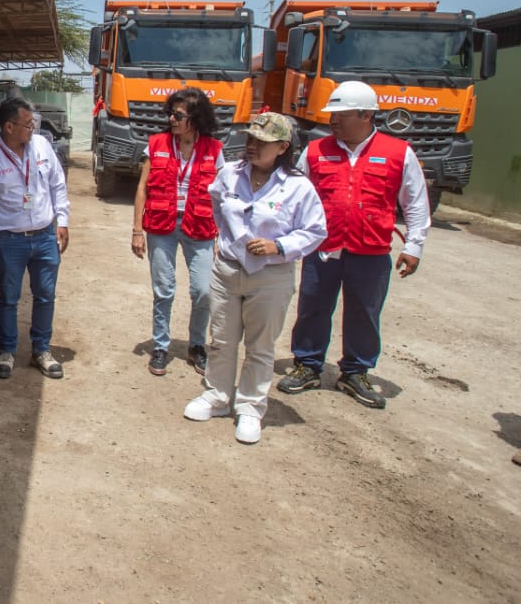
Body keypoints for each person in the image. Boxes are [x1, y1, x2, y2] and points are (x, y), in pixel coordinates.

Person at [277, 80, 430, 409]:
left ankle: (355, 371)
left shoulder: (397, 153)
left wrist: (414, 245)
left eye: (341, 115)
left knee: (364, 312)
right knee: (313, 306)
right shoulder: (316, 151)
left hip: (371, 251)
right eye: (332, 114)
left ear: (365, 114)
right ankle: (307, 364)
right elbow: (294, 197)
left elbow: (415, 203)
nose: (333, 120)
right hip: (323, 249)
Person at [182, 112, 327, 444]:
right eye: (249, 140)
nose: (251, 147)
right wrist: (226, 241)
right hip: (229, 270)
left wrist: (279, 246)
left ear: (282, 147)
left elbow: (316, 230)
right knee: (221, 339)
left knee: (260, 345)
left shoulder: (297, 186)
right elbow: (217, 204)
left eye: (261, 143)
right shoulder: (230, 175)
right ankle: (217, 396)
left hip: (271, 275)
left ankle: (249, 407)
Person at [0, 97, 70, 380]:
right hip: (10, 241)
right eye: (28, 124)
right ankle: (7, 351)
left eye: (33, 123)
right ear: (9, 126)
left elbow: (57, 183)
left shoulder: (42, 146)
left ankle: (41, 350)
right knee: (9, 297)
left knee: (45, 295)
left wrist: (63, 221)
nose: (33, 128)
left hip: (45, 236)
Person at [131, 87, 224, 376]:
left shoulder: (214, 150)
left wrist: (222, 235)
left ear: (195, 118)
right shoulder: (156, 144)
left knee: (203, 291)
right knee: (164, 289)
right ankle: (160, 345)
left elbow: (223, 196)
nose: (172, 118)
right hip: (162, 225)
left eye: (179, 114)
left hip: (200, 225)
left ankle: (197, 345)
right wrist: (136, 230)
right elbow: (142, 189)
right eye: (171, 113)